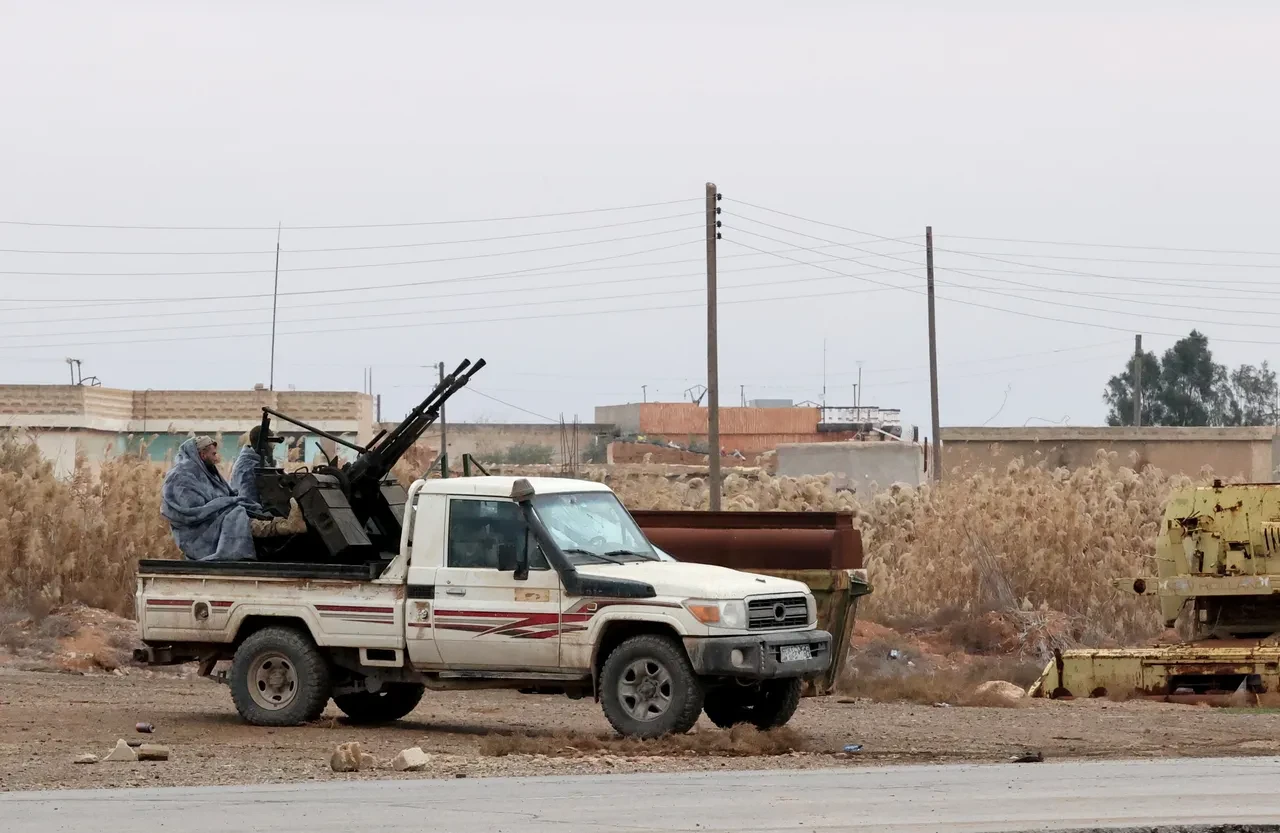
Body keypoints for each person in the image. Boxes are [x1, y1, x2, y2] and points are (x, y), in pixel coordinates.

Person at [161, 436, 304, 561]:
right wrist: (223, 505)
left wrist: (228, 502)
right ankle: (286, 526)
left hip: (213, 517)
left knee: (244, 509)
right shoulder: (180, 477)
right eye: (213, 454)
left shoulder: (205, 472)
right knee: (236, 517)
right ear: (202, 454)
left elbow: (224, 494)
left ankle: (284, 524)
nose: (216, 457)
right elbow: (189, 512)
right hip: (198, 531)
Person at [231, 425, 279, 506]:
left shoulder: (249, 460)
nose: (273, 446)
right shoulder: (249, 467)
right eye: (271, 442)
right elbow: (248, 501)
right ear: (263, 443)